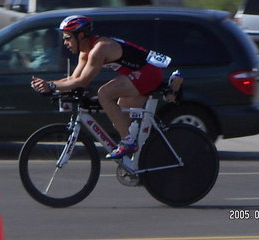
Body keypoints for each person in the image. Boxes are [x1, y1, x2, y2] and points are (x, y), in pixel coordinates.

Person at [31, 15, 171, 159]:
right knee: (121, 120)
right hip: (137, 73)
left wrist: (51, 85)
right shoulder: (85, 52)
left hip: (149, 73)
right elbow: (73, 78)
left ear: (80, 35)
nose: (64, 42)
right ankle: (140, 160)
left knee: (104, 93)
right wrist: (49, 85)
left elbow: (83, 81)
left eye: (67, 37)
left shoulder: (100, 49)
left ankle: (128, 143)